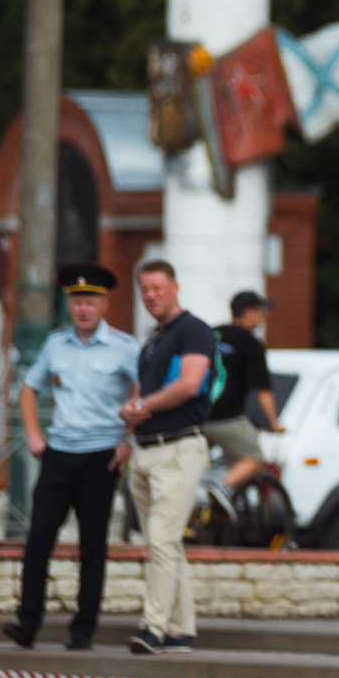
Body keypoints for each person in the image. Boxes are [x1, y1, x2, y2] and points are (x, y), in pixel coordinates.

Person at [5, 265, 138, 651]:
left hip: (100, 458)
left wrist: (128, 438)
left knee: (92, 546)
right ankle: (27, 624)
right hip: (59, 455)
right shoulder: (55, 344)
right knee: (38, 540)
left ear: (104, 304)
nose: (83, 309)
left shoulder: (124, 347)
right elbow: (28, 389)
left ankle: (82, 630)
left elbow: (143, 393)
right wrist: (34, 436)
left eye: (91, 301)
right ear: (69, 304)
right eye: (77, 301)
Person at [119, 261, 219, 653]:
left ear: (175, 287)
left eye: (158, 288)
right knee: (166, 544)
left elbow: (191, 383)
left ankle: (152, 628)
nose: (151, 295)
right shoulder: (154, 338)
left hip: (178, 448)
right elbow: (146, 391)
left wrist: (141, 404)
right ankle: (181, 629)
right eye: (145, 289)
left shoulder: (194, 330)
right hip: (146, 450)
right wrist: (130, 422)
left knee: (160, 540)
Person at [203, 290, 285, 496]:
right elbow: (262, 389)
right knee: (254, 458)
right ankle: (221, 488)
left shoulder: (211, 334)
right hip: (226, 417)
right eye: (261, 312)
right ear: (249, 313)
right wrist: (274, 423)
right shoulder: (250, 342)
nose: (263, 318)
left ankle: (197, 501)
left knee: (193, 462)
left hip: (196, 415)